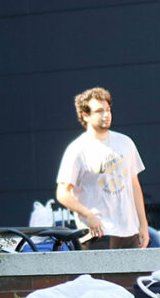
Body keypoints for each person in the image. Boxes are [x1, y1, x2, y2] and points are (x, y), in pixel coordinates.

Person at [55, 87, 149, 250]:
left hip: (128, 230)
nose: (106, 115)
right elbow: (62, 193)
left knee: (131, 276)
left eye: (108, 110)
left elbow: (134, 184)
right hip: (96, 233)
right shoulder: (77, 149)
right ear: (85, 115)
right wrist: (88, 215)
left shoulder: (125, 142)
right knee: (100, 277)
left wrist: (143, 225)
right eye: (99, 111)